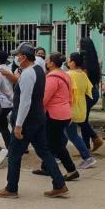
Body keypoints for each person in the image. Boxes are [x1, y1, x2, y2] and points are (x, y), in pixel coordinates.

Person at [0, 43, 68, 199]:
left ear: (24, 57)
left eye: (18, 55)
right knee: (44, 151)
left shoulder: (28, 74)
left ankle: (11, 188)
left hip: (27, 121)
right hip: (38, 117)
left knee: (14, 154)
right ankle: (59, 184)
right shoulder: (38, 69)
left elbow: (25, 101)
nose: (16, 58)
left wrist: (18, 125)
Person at [32, 53, 79, 181]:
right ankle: (47, 167)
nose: (46, 62)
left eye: (47, 60)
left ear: (52, 63)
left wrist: (35, 112)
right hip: (64, 113)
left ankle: (71, 169)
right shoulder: (65, 75)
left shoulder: (52, 78)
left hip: (54, 114)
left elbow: (44, 99)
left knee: (54, 144)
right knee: (53, 142)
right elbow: (70, 96)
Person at [66, 52, 98, 171]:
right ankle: (57, 154)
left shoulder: (69, 75)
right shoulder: (83, 74)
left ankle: (87, 157)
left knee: (71, 134)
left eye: (69, 60)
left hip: (71, 108)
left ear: (73, 62)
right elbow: (89, 90)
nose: (68, 62)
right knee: (66, 133)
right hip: (80, 107)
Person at [78, 38, 103, 152]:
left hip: (87, 93)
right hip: (94, 92)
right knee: (84, 119)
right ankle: (86, 146)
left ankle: (95, 138)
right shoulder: (93, 61)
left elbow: (83, 79)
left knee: (81, 120)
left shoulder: (84, 62)